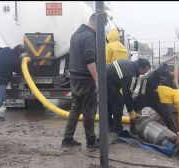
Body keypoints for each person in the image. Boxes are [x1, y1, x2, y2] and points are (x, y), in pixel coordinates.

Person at [62, 13, 104, 149]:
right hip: (86, 79)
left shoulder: (75, 34)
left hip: (74, 77)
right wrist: (97, 79)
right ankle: (91, 141)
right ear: (96, 23)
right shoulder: (89, 36)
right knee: (89, 111)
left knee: (75, 108)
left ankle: (67, 139)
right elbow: (89, 59)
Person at [107, 58, 151, 133]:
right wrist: (131, 112)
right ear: (140, 68)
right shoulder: (132, 75)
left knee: (110, 102)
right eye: (144, 71)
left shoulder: (129, 64)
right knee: (119, 103)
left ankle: (110, 124)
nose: (144, 73)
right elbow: (127, 95)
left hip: (105, 75)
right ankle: (117, 128)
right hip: (109, 80)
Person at [133, 63, 178, 133]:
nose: (163, 78)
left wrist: (176, 100)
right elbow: (141, 94)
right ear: (158, 73)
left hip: (158, 99)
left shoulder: (169, 77)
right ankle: (133, 129)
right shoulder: (148, 78)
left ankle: (175, 133)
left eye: (165, 77)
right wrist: (138, 110)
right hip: (145, 97)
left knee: (168, 116)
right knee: (135, 110)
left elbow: (174, 89)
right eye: (162, 77)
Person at [0, 44, 26, 121]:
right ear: (20, 53)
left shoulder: (5, 49)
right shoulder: (16, 60)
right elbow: (19, 71)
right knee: (0, 97)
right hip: (1, 79)